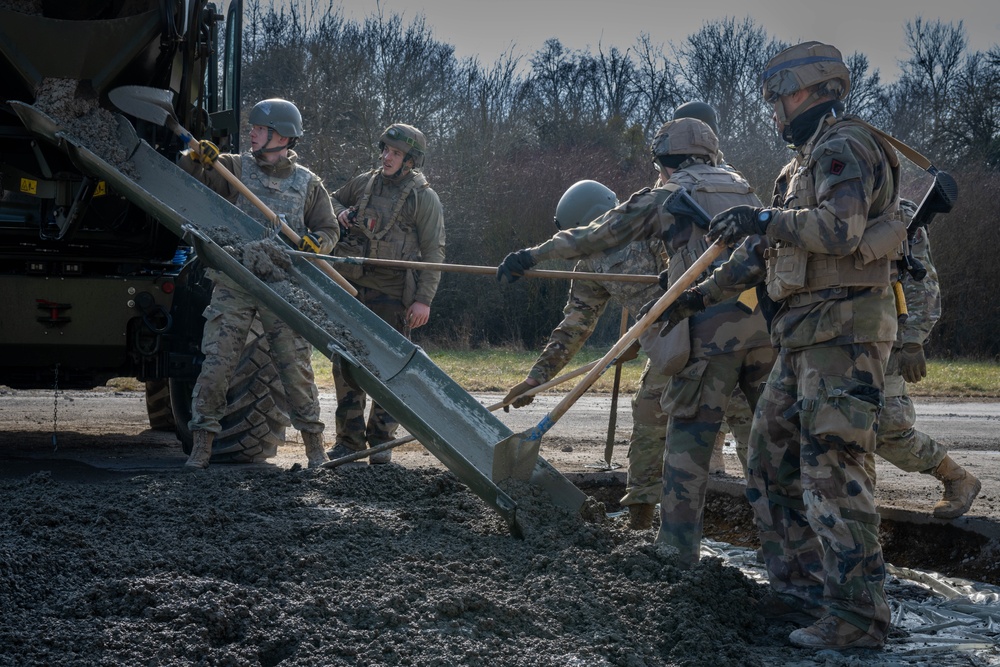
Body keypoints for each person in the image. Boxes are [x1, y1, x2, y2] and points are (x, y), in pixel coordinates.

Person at [700, 41, 906, 650]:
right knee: (769, 459)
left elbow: (838, 232)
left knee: (834, 471)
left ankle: (859, 617)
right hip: (801, 333)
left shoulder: (845, 147)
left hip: (844, 335)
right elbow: (772, 250)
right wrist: (700, 294)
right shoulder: (800, 164)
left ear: (817, 91)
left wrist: (762, 219)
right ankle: (801, 588)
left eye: (779, 98)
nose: (772, 111)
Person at [497, 117, 774, 561]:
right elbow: (575, 323)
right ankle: (645, 519)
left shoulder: (658, 206)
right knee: (656, 416)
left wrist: (532, 255)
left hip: (701, 334)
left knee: (715, 439)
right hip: (695, 337)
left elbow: (600, 239)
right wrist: (537, 379)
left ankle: (685, 551)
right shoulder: (739, 191)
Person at [181, 98, 338, 470]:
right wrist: (196, 157)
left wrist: (319, 243)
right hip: (235, 280)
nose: (250, 133)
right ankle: (201, 447)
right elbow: (190, 174)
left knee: (296, 370)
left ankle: (314, 450)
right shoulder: (233, 167)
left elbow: (328, 229)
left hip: (281, 286)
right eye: (252, 128)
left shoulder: (307, 184)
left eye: (259, 128)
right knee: (216, 365)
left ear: (281, 137)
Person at [328, 123, 446, 465]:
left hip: (394, 296)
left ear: (411, 159)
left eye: (395, 152)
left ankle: (380, 445)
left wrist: (424, 300)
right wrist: (340, 213)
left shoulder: (424, 197)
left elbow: (434, 251)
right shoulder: (365, 183)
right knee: (345, 366)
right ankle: (348, 444)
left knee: (389, 371)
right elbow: (330, 199)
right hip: (352, 288)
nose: (387, 157)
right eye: (385, 150)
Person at [874, 200, 981, 518]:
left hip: (883, 337)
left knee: (886, 427)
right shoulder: (816, 201)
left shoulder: (895, 213)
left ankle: (957, 478)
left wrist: (912, 341)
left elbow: (922, 283)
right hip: (832, 336)